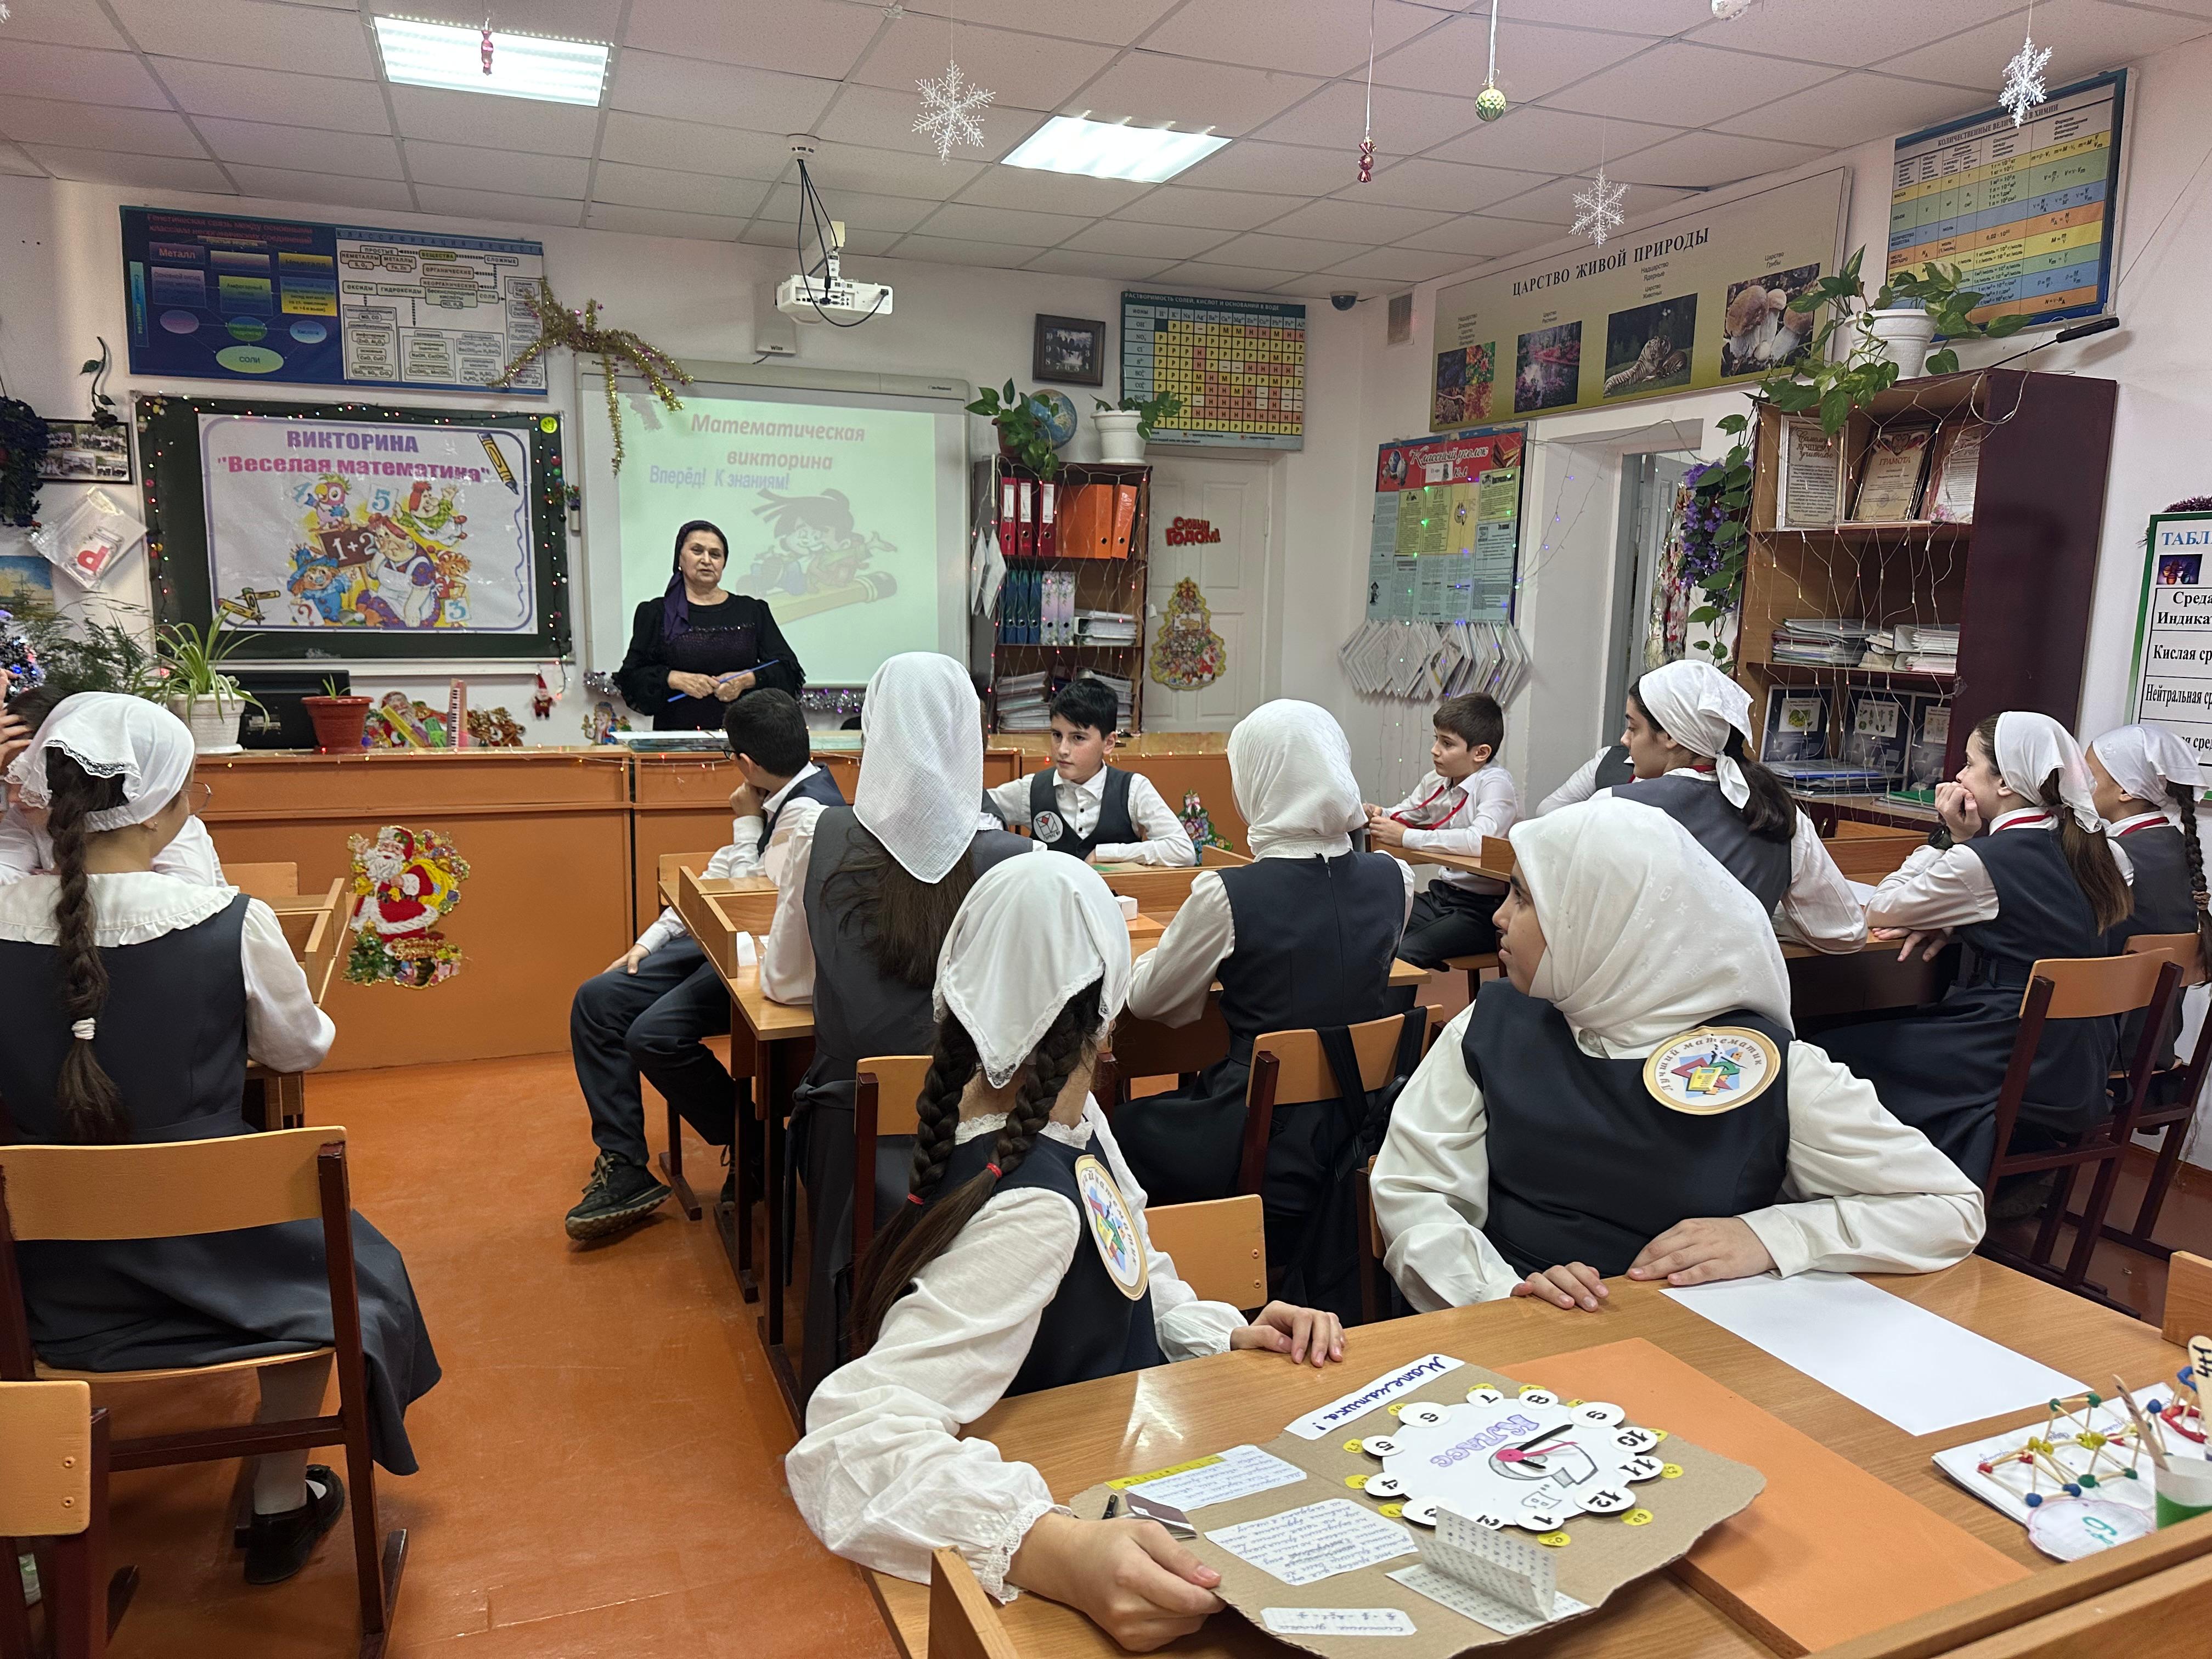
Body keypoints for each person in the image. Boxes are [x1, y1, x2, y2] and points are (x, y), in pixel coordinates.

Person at [786, 853, 1346, 1649]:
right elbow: (848, 1437)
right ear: (1109, 1016)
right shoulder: (1034, 1209)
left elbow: (1129, 1255)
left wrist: (1219, 1332)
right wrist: (1057, 1553)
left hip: (1115, 1447)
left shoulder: (1063, 1123)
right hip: (1081, 1514)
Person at [0, 695, 438, 1585]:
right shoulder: (228, 920)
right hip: (225, 1261)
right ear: (165, 809)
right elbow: (298, 1048)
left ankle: (41, 1525)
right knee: (343, 1266)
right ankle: (278, 1494)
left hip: (47, 1277)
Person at [1371, 797, 1983, 1312]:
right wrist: (1500, 1291)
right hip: (1510, 1331)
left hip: (1695, 1342)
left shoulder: (1766, 1067)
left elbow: (1949, 1208)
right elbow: (1416, 1192)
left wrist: (1771, 1235)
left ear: (1602, 919)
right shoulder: (1491, 1026)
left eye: (1525, 899)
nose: (1500, 918)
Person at [758, 653, 1035, 1395]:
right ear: (969, 736)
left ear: (873, 733)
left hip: (851, 1124)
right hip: (982, 1127)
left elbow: (784, 983)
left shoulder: (822, 835)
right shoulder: (1016, 858)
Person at [1113, 701, 1414, 1318]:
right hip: (1362, 1130)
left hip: (1259, 1137)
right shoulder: (1395, 879)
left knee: (1121, 1131)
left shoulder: (1228, 894)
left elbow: (1150, 1001)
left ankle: (1175, 1287)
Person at [564, 689, 843, 1240]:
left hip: (763, 958)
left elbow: (751, 909)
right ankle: (624, 1164)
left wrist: (745, 824)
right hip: (724, 942)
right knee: (598, 1001)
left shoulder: (806, 815)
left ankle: (755, 1144)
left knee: (653, 1036)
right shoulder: (774, 793)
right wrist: (649, 943)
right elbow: (720, 877)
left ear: (744, 761)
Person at [1820, 713, 2131, 1183]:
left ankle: (1890, 1186)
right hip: (2079, 1054)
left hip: (2009, 1046)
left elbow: (1880, 908)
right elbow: (2043, 922)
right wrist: (1956, 919)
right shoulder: (2098, 850)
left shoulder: (1980, 861)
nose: (1959, 776)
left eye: (1968, 764)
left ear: (2004, 782)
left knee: (1829, 1052)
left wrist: (1948, 837)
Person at [1598, 660, 1864, 952]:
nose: (1625, 740)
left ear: (1671, 735)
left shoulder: (1613, 806)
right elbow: (1845, 932)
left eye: (1633, 728)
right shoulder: (1778, 813)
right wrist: (1763, 922)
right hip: (1741, 983)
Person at [1, 682, 223, 884]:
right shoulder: (24, 817)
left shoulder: (155, 812)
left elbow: (192, 897)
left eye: (28, 777)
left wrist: (39, 886)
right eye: (6, 778)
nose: (12, 798)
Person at [2088, 721, 2210, 1070]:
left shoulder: (2115, 856)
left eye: (2090, 774)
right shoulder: (2179, 847)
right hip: (2154, 1041)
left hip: (2108, 1044)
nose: (2079, 783)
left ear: (2126, 791)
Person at [1363, 692, 1518, 967]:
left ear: (1481, 753)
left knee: (1403, 953)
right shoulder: (1437, 780)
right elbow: (1407, 812)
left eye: (1447, 744)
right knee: (1365, 923)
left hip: (1483, 910)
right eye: (1436, 739)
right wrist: (1378, 813)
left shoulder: (1496, 784)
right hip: (1442, 896)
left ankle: (1394, 998)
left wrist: (1406, 837)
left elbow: (1480, 841)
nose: (1435, 750)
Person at [614, 520, 804, 731]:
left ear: (723, 563)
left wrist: (747, 679)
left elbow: (788, 671)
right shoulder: (655, 613)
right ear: (680, 558)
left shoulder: (752, 610)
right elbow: (631, 678)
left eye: (715, 554)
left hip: (746, 738)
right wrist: (673, 679)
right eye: (697, 551)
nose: (706, 560)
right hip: (677, 738)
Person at [986, 679, 1194, 866]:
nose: (1062, 749)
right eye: (1057, 735)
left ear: (1109, 743)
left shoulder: (1133, 789)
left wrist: (1107, 853)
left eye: (1078, 738)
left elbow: (1183, 851)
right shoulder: (1031, 789)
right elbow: (977, 808)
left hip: (1113, 896)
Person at [1534, 739, 1633, 815]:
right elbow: (1549, 805)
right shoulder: (1609, 759)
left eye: (1633, 728)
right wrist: (1578, 826)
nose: (1624, 739)